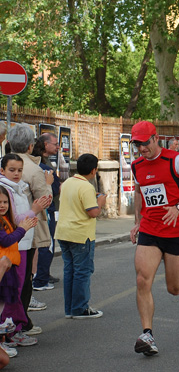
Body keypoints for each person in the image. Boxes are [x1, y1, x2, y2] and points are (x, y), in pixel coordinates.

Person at [129, 121, 179, 356]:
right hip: (151, 229)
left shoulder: (176, 160)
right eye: (137, 144)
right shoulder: (137, 166)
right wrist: (137, 222)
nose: (142, 148)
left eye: (145, 143)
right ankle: (147, 334)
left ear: (155, 138)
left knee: (174, 289)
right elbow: (140, 194)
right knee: (143, 279)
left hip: (175, 229)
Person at [5, 124, 53, 339]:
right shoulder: (33, 170)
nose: (17, 174)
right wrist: (48, 184)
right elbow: (44, 200)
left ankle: (15, 326)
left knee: (16, 282)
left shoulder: (13, 172)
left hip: (17, 235)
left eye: (18, 171)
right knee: (19, 283)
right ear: (32, 145)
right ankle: (17, 326)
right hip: (21, 236)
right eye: (12, 171)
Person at [54, 154, 106, 319]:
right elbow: (93, 212)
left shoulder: (68, 182)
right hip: (80, 234)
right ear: (93, 170)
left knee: (70, 271)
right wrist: (101, 202)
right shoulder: (87, 187)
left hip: (63, 232)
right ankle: (80, 308)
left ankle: (70, 308)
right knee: (82, 272)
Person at [0, 185, 38, 359]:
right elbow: (7, 240)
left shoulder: (5, 220)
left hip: (9, 267)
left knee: (10, 303)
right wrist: (22, 229)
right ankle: (4, 339)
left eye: (5, 202)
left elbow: (12, 238)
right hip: (3, 270)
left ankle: (8, 335)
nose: (2, 205)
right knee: (3, 307)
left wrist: (22, 229)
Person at [32, 133, 61, 291]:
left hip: (45, 208)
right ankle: (40, 279)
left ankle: (43, 273)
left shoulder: (43, 163)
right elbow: (53, 189)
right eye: (55, 144)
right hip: (45, 209)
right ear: (44, 145)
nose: (57, 147)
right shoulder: (42, 167)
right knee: (47, 243)